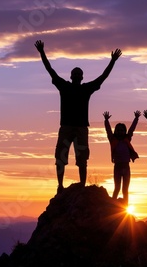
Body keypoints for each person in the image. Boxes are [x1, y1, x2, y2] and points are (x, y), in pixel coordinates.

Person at [34, 40, 122, 193]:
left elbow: (103, 77)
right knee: (60, 158)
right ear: (71, 76)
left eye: (78, 75)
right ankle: (60, 186)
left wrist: (112, 61)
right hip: (67, 127)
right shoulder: (64, 86)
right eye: (74, 74)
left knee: (82, 158)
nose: (76, 76)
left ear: (81, 77)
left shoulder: (86, 89)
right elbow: (50, 70)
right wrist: (42, 52)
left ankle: (82, 185)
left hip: (81, 127)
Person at [103, 110, 140, 204]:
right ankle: (112, 205)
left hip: (126, 167)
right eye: (118, 130)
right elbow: (108, 131)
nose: (120, 132)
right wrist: (106, 120)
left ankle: (126, 207)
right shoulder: (113, 139)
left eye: (122, 130)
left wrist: (136, 118)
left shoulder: (127, 139)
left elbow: (132, 129)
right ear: (115, 131)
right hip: (117, 167)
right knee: (117, 188)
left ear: (125, 131)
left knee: (125, 190)